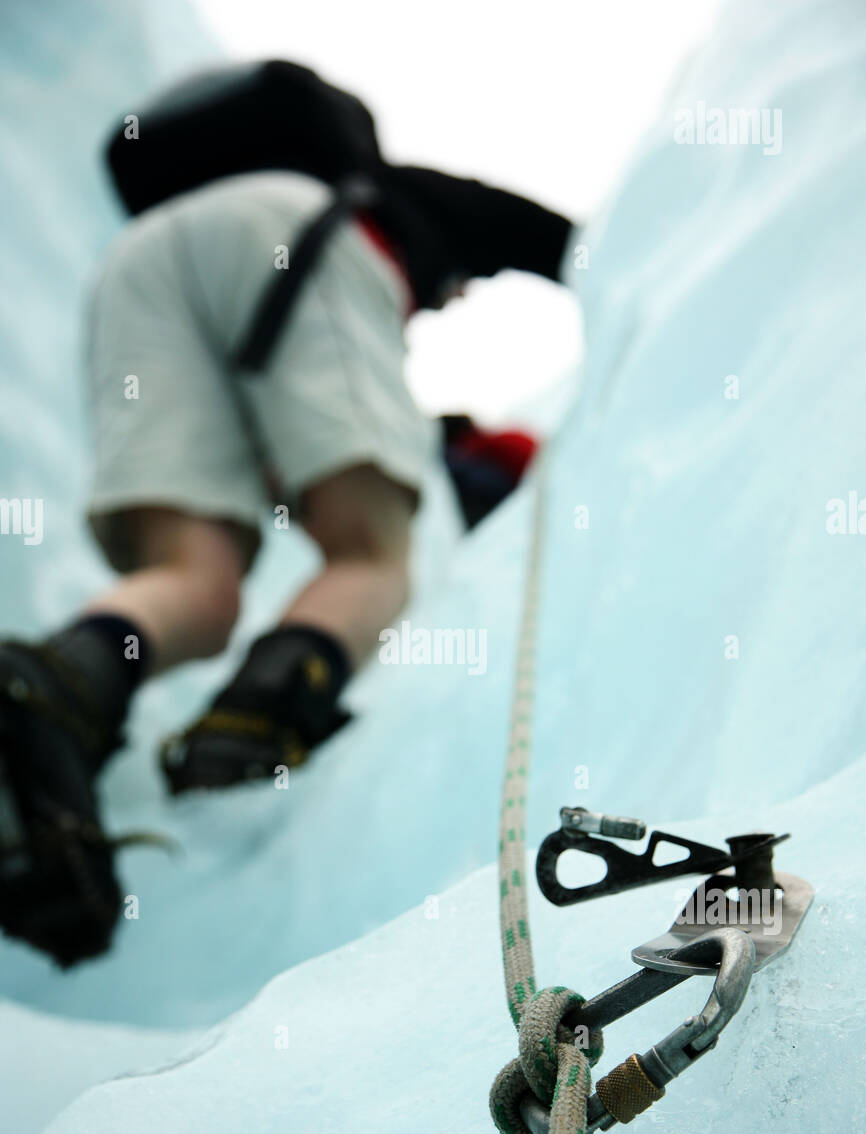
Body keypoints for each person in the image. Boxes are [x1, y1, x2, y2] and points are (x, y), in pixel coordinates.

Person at [0, 62, 573, 965]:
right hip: (294, 237)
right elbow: (549, 238)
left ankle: (55, 687)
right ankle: (249, 728)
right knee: (370, 551)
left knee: (194, 579)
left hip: (138, 274)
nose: (445, 301)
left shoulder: (185, 202)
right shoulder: (380, 197)